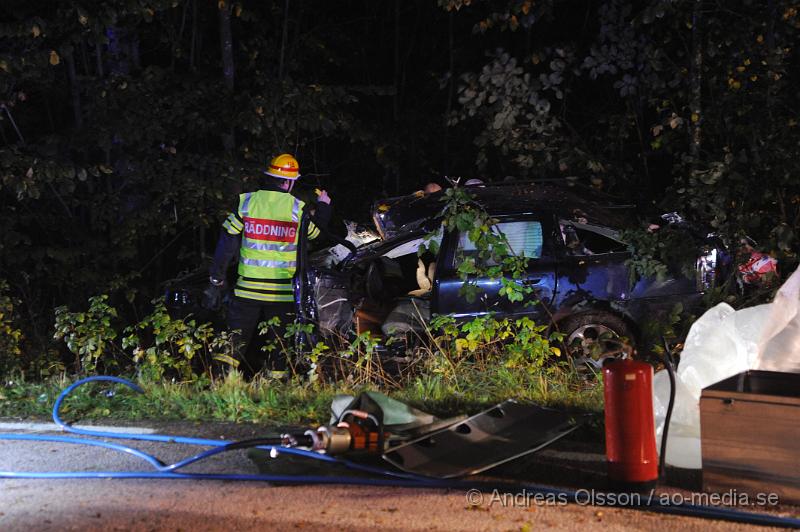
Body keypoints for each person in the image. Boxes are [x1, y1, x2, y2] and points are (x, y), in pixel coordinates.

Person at [202, 153, 331, 375]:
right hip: (281, 295)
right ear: (288, 182)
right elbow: (316, 235)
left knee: (233, 345)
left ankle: (221, 387)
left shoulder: (247, 203)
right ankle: (275, 390)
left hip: (247, 291)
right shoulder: (296, 209)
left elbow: (226, 244)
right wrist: (324, 208)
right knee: (280, 348)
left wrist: (217, 279)